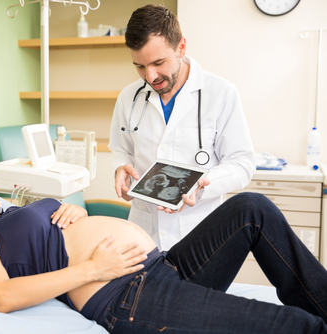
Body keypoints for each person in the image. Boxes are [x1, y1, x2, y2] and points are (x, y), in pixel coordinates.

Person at [0, 165, 327, 333]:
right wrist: (96, 268)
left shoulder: (10, 213)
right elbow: (2, 297)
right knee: (295, 326)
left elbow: (47, 240)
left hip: (161, 267)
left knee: (251, 208)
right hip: (125, 294)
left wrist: (62, 212)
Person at [109, 4, 256, 250]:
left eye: (158, 62)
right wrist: (119, 170)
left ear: (181, 47)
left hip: (201, 233)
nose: (150, 76)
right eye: (140, 66)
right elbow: (120, 150)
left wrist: (202, 183)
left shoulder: (220, 93)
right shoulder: (128, 97)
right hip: (144, 236)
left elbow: (242, 163)